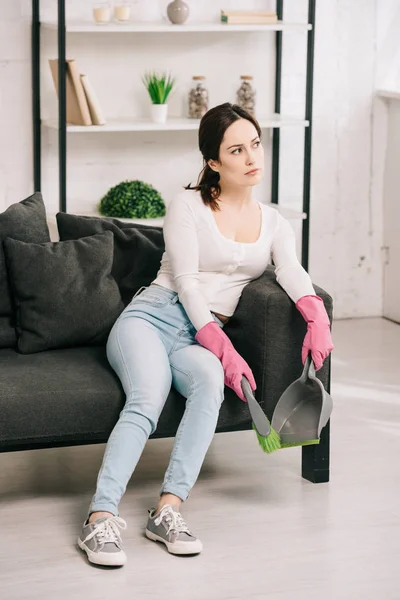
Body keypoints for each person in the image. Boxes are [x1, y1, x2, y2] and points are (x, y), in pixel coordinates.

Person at [77, 102, 334, 567]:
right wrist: (221, 343)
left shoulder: (273, 221)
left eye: (255, 144)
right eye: (237, 150)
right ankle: (100, 518)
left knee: (211, 385)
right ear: (214, 162)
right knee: (148, 397)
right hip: (152, 320)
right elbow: (188, 282)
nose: (252, 156)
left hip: (197, 338)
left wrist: (317, 316)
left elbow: (291, 269)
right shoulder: (188, 205)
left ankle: (168, 510)